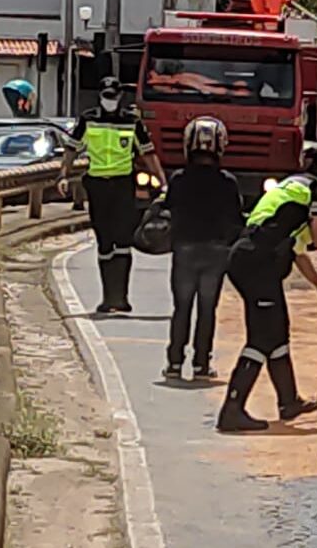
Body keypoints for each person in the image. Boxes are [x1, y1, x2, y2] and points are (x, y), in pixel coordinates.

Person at [216, 153, 317, 431]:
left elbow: (298, 252)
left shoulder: (291, 188)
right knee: (262, 338)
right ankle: (232, 409)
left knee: (277, 331)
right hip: (257, 265)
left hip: (250, 260)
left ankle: (288, 401)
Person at [58, 76, 166, 313]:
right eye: (106, 96)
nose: (110, 101)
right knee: (104, 242)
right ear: (100, 96)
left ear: (119, 97)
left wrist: (162, 182)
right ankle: (108, 298)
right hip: (97, 186)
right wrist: (63, 174)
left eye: (113, 97)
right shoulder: (89, 119)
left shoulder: (131, 122)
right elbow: (71, 149)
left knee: (124, 242)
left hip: (123, 186)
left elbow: (148, 153)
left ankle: (122, 297)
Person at [163, 117, 244, 380]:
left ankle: (174, 362)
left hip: (184, 249)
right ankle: (201, 363)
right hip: (216, 251)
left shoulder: (178, 179)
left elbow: (168, 209)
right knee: (207, 309)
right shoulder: (228, 182)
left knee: (181, 308)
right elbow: (236, 219)